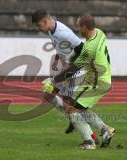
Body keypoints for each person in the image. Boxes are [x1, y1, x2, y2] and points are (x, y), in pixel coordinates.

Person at [45, 13, 115, 149]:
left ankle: (89, 143)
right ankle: (105, 130)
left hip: (96, 82)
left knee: (71, 110)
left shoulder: (89, 48)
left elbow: (73, 69)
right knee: (79, 108)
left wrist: (54, 80)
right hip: (102, 79)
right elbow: (75, 63)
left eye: (79, 26)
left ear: (84, 26)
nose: (77, 30)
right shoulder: (100, 33)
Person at [32, 9, 99, 143]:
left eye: (39, 25)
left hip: (76, 71)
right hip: (66, 69)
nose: (39, 29)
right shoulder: (51, 29)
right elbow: (62, 49)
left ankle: (91, 138)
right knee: (50, 95)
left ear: (45, 21)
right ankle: (85, 128)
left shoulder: (63, 33)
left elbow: (82, 48)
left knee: (71, 107)